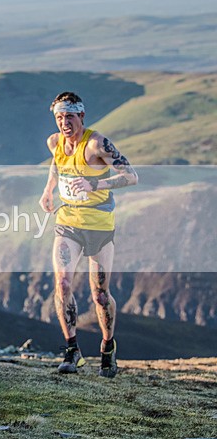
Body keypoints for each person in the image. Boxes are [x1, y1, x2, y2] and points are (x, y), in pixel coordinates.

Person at [40, 92, 138, 378]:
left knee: (99, 294)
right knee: (63, 282)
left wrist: (95, 183)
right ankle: (72, 351)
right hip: (67, 221)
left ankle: (107, 349)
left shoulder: (96, 144)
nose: (64, 122)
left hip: (99, 226)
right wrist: (48, 190)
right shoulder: (55, 142)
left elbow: (131, 176)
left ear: (81, 116)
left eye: (69, 116)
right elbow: (57, 166)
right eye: (59, 117)